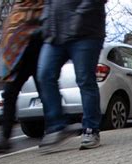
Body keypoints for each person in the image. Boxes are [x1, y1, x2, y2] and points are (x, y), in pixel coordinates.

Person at [38, 0, 107, 150]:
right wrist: (45, 21)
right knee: (44, 74)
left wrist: (78, 16)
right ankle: (57, 126)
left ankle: (91, 129)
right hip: (55, 34)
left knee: (85, 79)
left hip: (86, 32)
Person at [0, 0, 44, 154]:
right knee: (10, 94)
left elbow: (44, 14)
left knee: (44, 89)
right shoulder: (18, 4)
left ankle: (54, 129)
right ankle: (5, 139)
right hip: (18, 52)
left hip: (35, 45)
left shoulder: (40, 5)